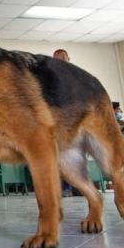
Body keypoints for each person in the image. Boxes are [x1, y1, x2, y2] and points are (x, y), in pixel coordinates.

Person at [52, 49, 76, 197]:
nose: (59, 61)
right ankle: (62, 187)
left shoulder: (75, 76)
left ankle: (74, 185)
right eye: (56, 59)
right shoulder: (51, 77)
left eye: (62, 58)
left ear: (68, 58)